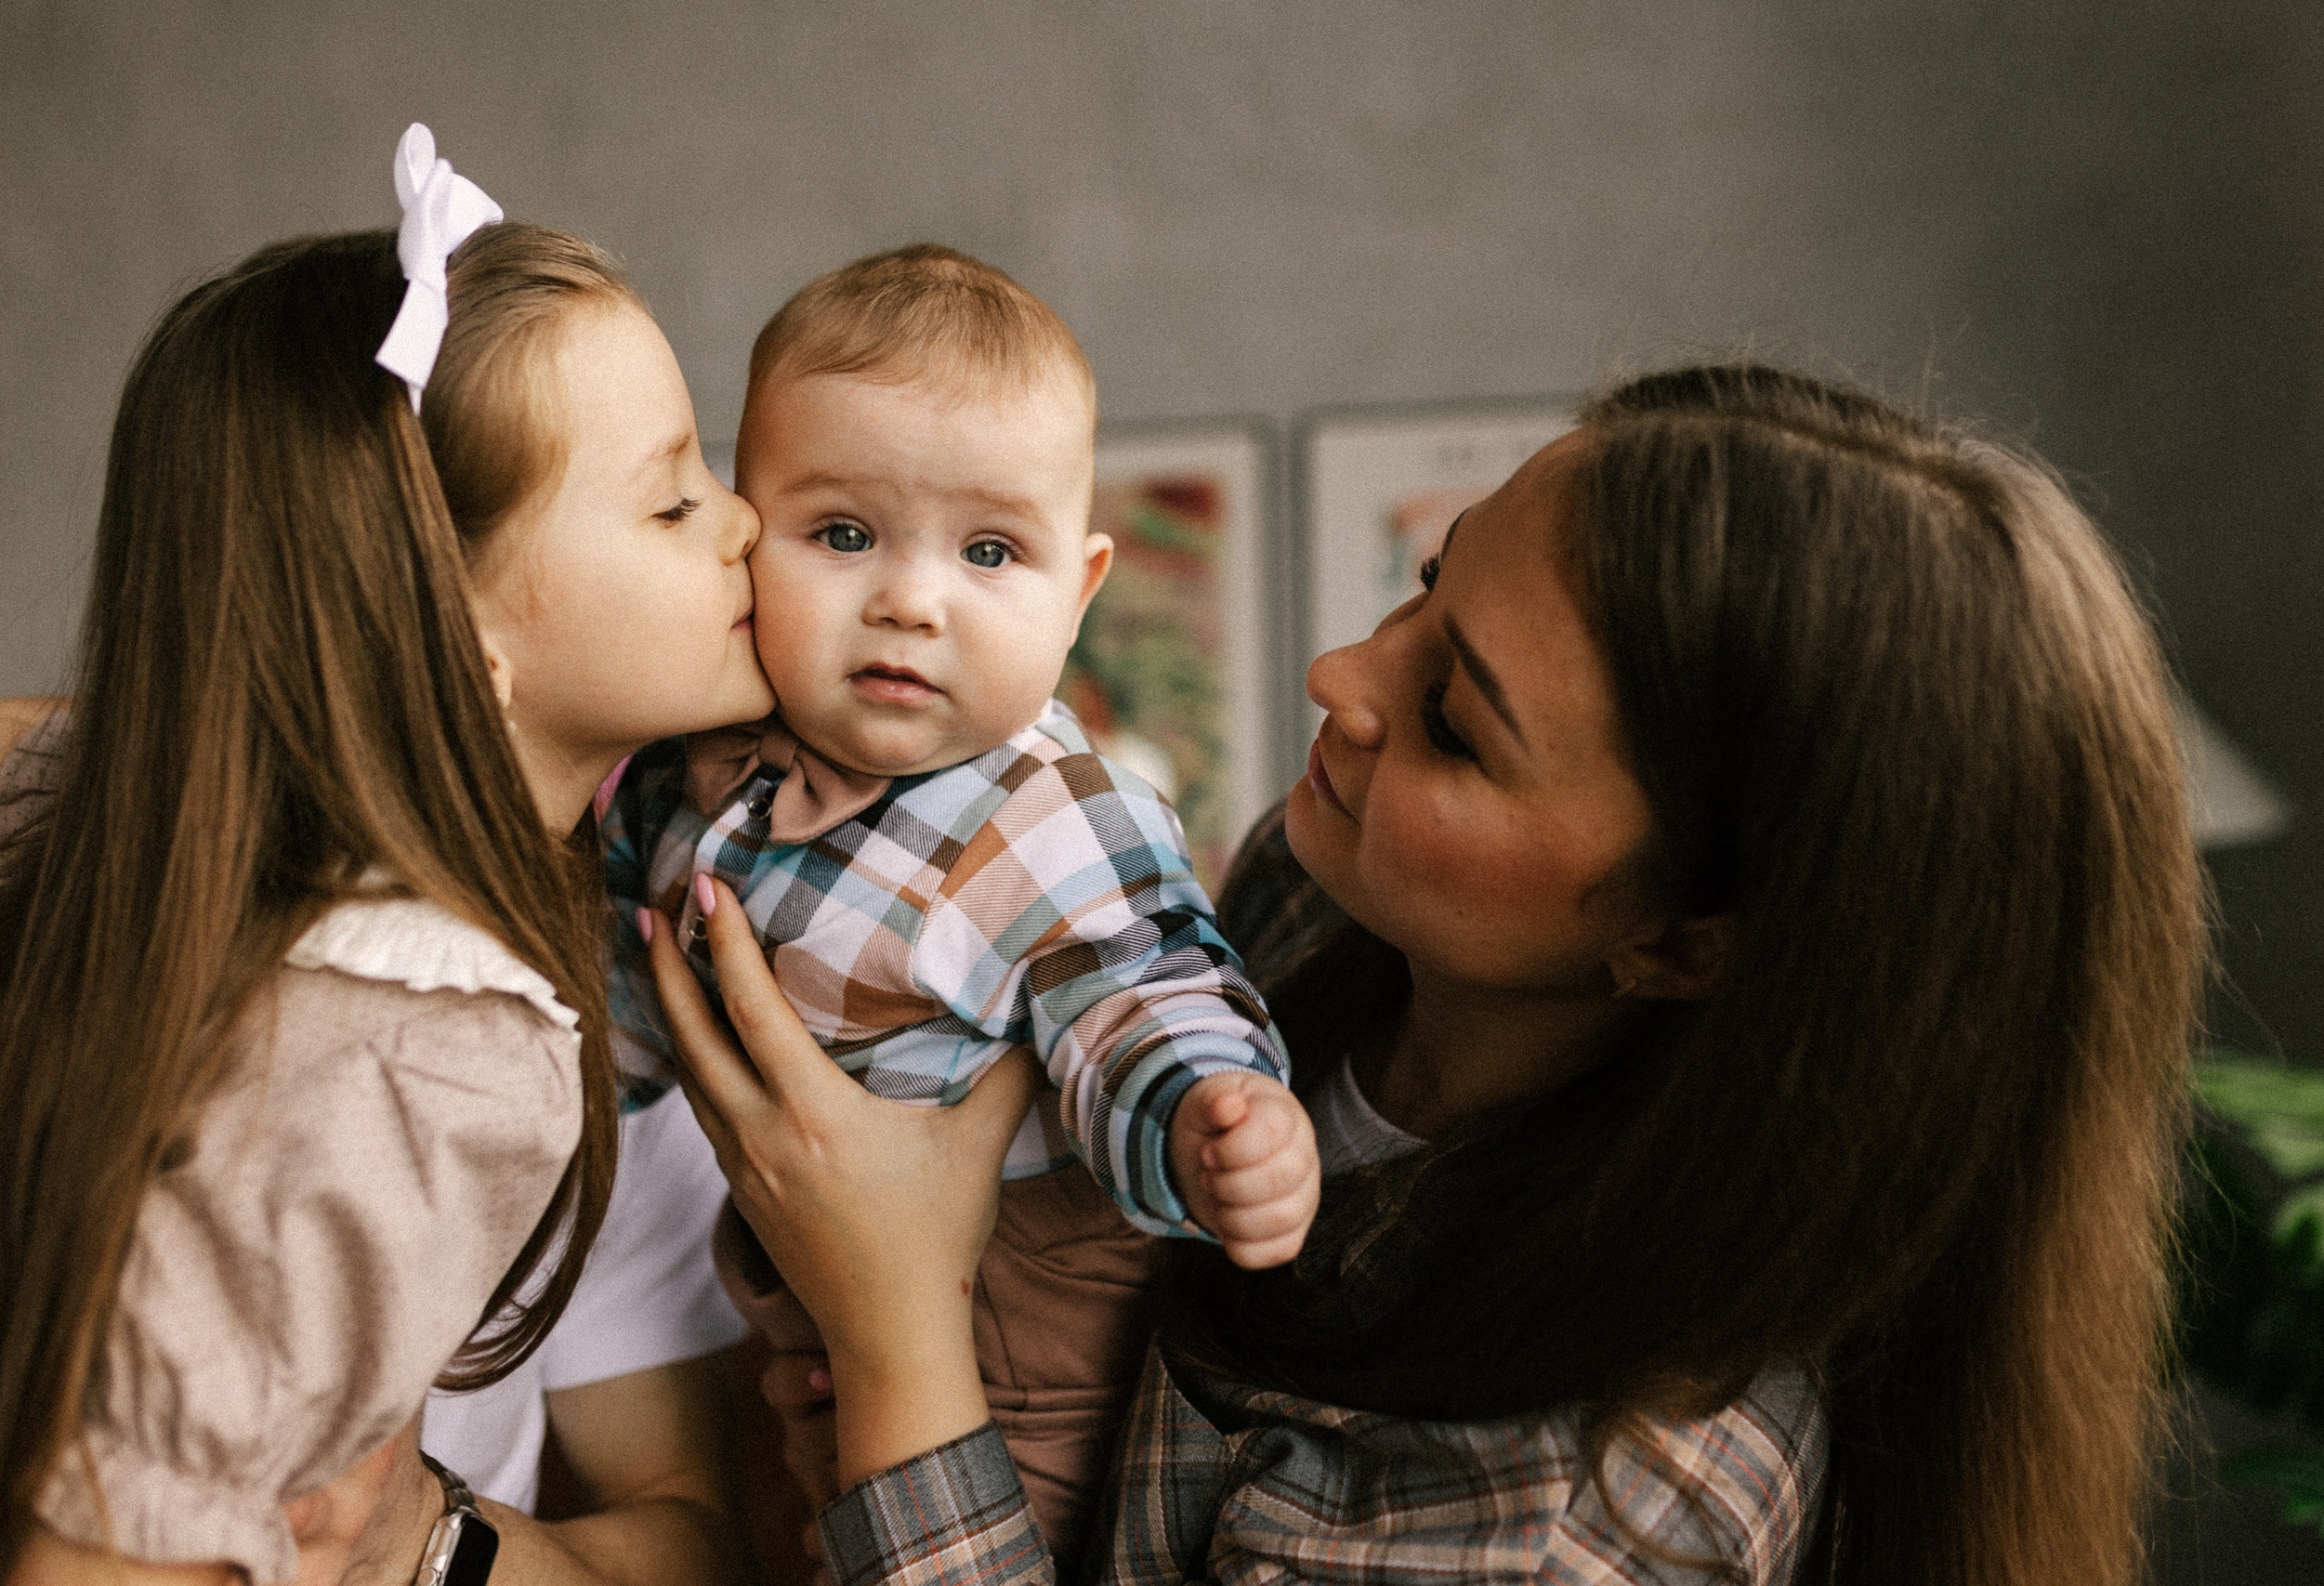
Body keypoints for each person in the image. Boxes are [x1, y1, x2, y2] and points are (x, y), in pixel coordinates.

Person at [654, 365, 2205, 1585]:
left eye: (1458, 721)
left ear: (1687, 942)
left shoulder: (1598, 1511)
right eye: (1428, 586)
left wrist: (896, 1337)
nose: (1342, 678)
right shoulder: (1315, 907)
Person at [0, 136, 771, 1585]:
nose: (745, 521)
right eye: (671, 499)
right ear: (463, 638)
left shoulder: (235, 892)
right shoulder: (429, 1046)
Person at [599, 245, 1316, 1550]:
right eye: (844, 534)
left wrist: (1211, 1111)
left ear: (1080, 591)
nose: (911, 600)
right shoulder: (704, 757)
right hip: (801, 1284)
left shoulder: (1044, 811)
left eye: (989, 550)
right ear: (741, 535)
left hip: (1024, 1323)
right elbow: (621, 951)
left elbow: (1138, 985)